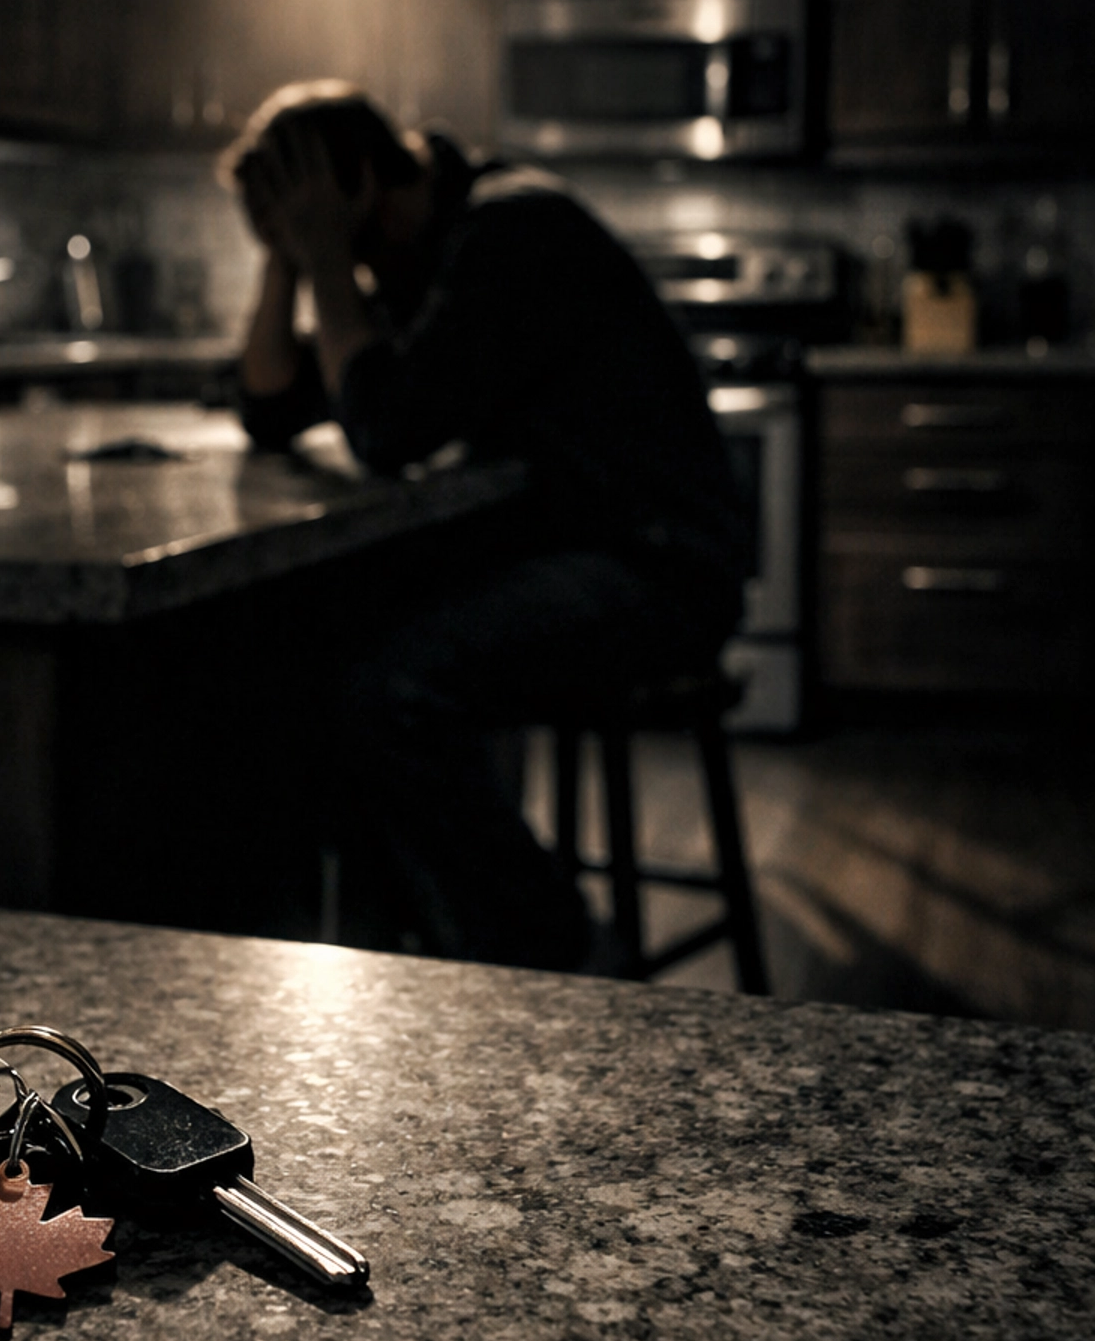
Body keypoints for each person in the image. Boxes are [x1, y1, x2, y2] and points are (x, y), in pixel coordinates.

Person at [224, 80, 748, 973]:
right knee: (325, 654)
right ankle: (415, 946)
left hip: (659, 565)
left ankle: (562, 960)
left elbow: (386, 427)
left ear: (357, 188)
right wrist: (288, 259)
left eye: (300, 221)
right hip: (582, 548)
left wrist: (320, 260)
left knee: (394, 695)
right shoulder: (415, 252)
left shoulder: (511, 232)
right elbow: (272, 408)